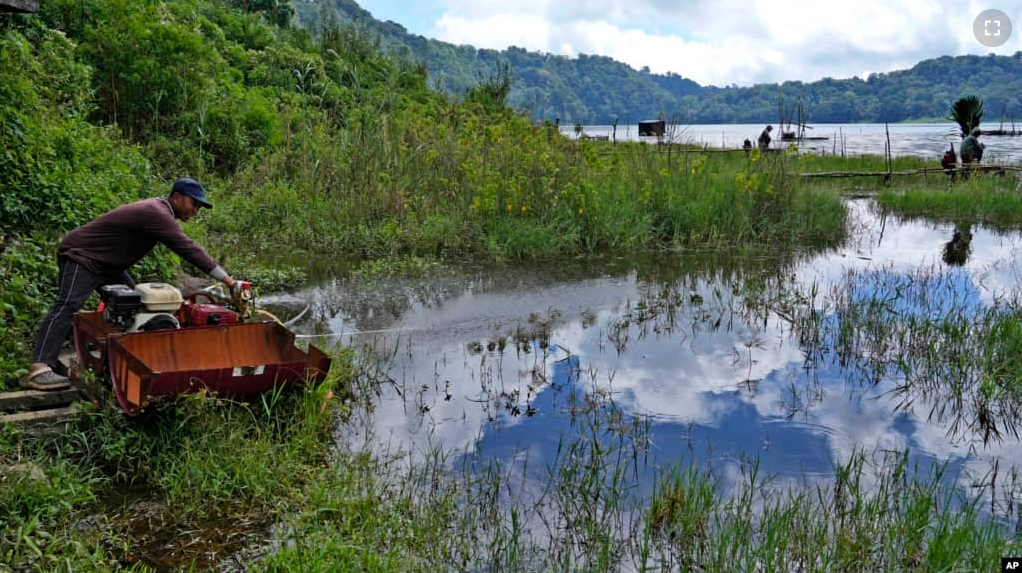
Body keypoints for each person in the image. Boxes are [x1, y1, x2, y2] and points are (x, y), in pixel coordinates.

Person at [23, 178, 244, 390]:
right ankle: (40, 367)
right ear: (176, 197)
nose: (196, 210)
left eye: (199, 207)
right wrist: (228, 281)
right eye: (194, 203)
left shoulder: (159, 211)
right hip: (82, 257)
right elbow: (189, 249)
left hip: (108, 266)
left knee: (133, 304)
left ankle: (106, 352)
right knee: (68, 305)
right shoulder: (157, 213)